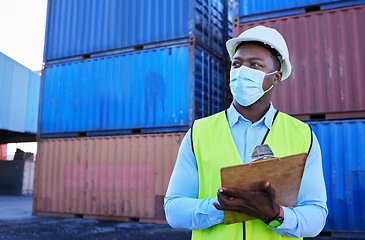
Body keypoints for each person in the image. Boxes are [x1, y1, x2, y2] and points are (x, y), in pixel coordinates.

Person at [164, 25, 327, 240]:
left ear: (276, 77)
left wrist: (276, 215)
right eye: (237, 64)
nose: (242, 71)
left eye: (255, 64)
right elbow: (174, 210)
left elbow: (316, 216)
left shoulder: (303, 136)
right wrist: (222, 208)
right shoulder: (198, 133)